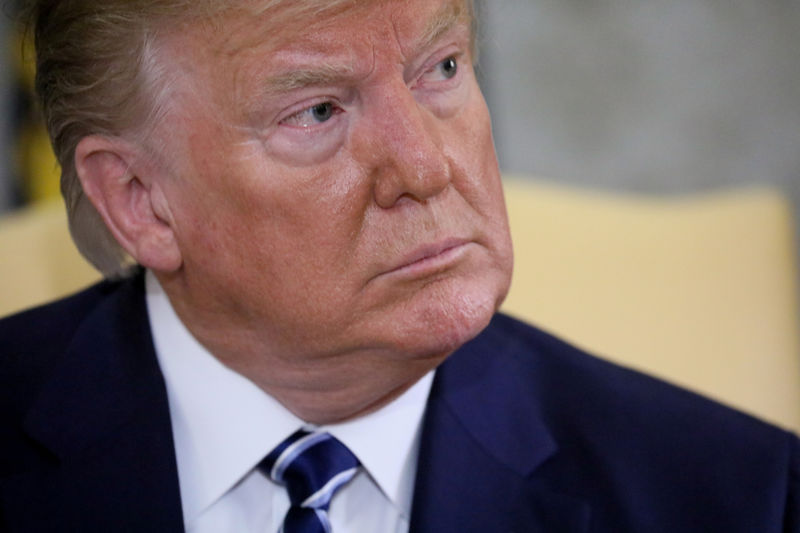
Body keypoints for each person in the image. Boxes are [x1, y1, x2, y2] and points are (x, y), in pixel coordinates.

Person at [0, 0, 797, 531]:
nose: (425, 165)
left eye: (442, 68)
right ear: (140, 199)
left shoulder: (737, 497)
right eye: (317, 111)